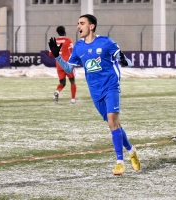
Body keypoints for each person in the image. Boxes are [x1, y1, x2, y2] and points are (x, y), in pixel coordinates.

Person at [48, 14, 140, 175]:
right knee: (114, 125)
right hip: (95, 91)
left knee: (113, 121)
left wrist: (125, 61)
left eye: (82, 23)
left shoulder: (106, 42)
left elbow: (127, 61)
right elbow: (69, 68)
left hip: (111, 86)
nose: (78, 26)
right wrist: (57, 56)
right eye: (78, 23)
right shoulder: (78, 47)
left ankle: (120, 162)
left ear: (91, 26)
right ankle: (131, 151)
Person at [49, 26, 76, 104]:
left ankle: (57, 91)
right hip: (67, 64)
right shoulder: (68, 40)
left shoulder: (54, 41)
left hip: (59, 64)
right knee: (72, 81)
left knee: (62, 82)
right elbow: (72, 51)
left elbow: (50, 54)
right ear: (64, 31)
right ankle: (73, 100)